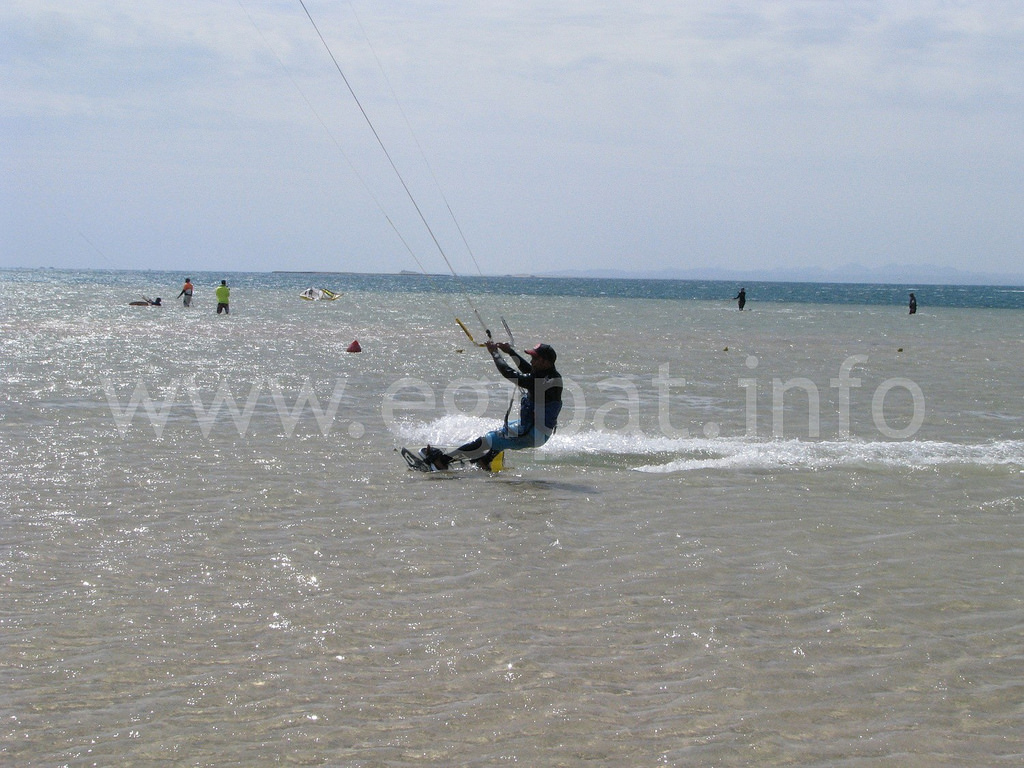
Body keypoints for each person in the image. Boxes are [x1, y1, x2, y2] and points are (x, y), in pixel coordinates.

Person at [420, 341, 563, 470]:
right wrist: (510, 352)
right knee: (502, 432)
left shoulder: (542, 380)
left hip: (532, 433)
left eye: (535, 359)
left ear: (546, 362)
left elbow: (509, 373)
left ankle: (442, 461)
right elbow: (527, 370)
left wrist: (495, 353)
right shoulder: (549, 375)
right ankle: (485, 460)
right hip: (536, 429)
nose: (532, 362)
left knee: (487, 440)